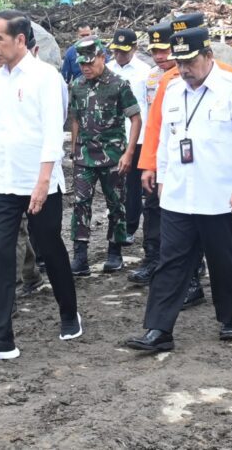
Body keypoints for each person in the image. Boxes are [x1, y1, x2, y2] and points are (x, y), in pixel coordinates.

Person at [126, 28, 232, 352]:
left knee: (224, 260)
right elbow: (165, 140)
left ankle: (231, 318)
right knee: (170, 262)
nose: (185, 69)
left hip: (219, 195)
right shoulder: (172, 90)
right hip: (178, 195)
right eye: (180, 62)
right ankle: (159, 330)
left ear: (208, 56)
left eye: (190, 61)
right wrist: (161, 178)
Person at [0, 11, 81, 361]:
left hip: (38, 182)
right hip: (4, 183)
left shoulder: (46, 78)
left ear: (20, 40)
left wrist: (44, 181)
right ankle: (0, 337)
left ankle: (68, 312)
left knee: (48, 245)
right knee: (2, 254)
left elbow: (51, 133)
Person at [138, 12, 232, 306]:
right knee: (178, 235)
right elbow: (156, 126)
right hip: (179, 172)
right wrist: (149, 165)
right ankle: (191, 283)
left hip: (214, 174)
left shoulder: (226, 76)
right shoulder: (169, 81)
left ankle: (225, 298)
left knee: (216, 237)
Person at [0, 37, 44, 296]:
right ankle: (30, 274)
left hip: (21, 170)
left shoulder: (27, 83)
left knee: (14, 231)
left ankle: (9, 290)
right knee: (14, 230)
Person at [67, 38, 141, 275]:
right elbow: (75, 118)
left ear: (102, 57)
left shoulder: (119, 84)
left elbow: (135, 118)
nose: (85, 68)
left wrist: (129, 153)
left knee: (116, 204)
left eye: (89, 63)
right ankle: (80, 256)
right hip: (85, 156)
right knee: (80, 203)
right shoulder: (77, 85)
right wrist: (74, 147)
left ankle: (114, 252)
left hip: (112, 155)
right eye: (81, 64)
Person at [127, 23, 171, 285]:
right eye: (155, 51)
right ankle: (152, 259)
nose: (159, 56)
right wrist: (147, 161)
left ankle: (192, 263)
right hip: (157, 151)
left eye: (164, 50)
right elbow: (149, 120)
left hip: (184, 152)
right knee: (152, 208)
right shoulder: (152, 77)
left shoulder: (186, 73)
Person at [106, 28, 152, 247]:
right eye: (116, 51)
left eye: (124, 51)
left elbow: (146, 106)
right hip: (112, 136)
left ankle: (131, 226)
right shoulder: (106, 70)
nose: (120, 55)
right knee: (114, 183)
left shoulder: (145, 72)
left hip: (137, 136)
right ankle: (116, 224)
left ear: (134, 48)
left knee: (133, 185)